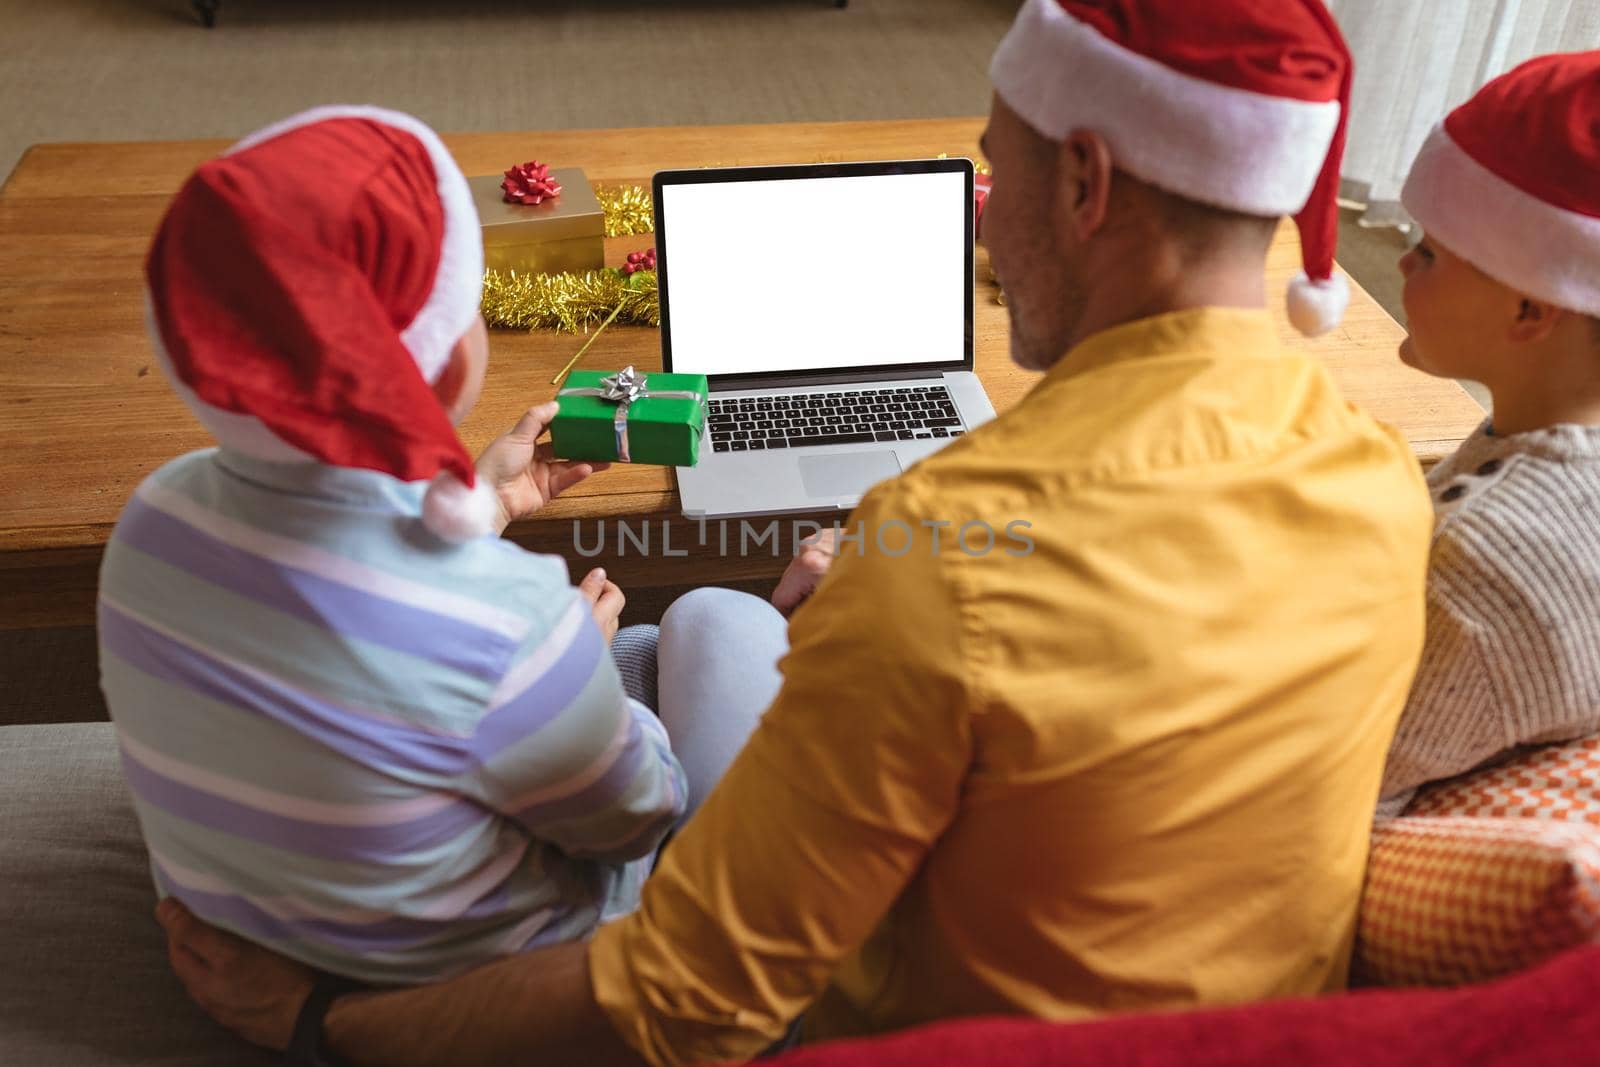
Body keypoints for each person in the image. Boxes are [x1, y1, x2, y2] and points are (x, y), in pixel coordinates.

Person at [157, 3, 1436, 1065]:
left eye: (997, 172)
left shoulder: (943, 550)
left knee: (699, 628)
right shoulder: (1380, 481)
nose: (983, 222)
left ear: (1088, 181)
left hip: (920, 1033)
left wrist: (327, 1019)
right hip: (1244, 1023)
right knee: (728, 615)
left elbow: (678, 1003)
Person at [100, 105, 705, 986]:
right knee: (692, 640)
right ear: (450, 358)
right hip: (471, 985)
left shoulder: (155, 515)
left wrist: (485, 503)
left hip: (250, 938)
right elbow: (638, 818)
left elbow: (360, 588)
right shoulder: (512, 621)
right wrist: (579, 662)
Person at [1375, 52, 1600, 817]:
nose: (1402, 261)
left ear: (1532, 310)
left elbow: (1329, 786)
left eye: (1430, 250)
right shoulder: (1553, 438)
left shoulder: (1483, 566)